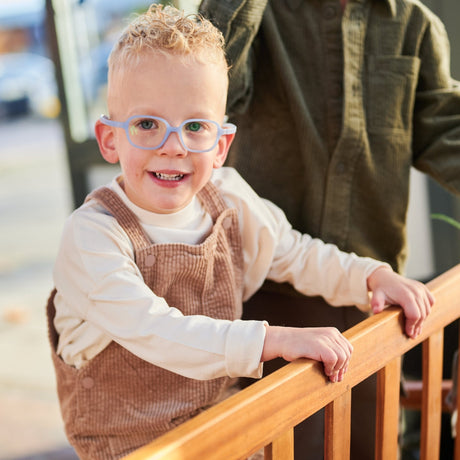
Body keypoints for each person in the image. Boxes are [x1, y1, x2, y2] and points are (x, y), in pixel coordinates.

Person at [46, 5, 434, 459]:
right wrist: (274, 339)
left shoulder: (229, 198)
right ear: (109, 139)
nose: (173, 146)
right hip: (133, 446)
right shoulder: (92, 237)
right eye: (147, 124)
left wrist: (371, 276)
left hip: (222, 424)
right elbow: (154, 329)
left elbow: (295, 254)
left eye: (195, 126)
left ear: (221, 146)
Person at [198, 0, 460, 458]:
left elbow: (445, 128)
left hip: (375, 302)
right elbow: (206, 94)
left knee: (375, 444)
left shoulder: (414, 24)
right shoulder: (257, 14)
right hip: (271, 303)